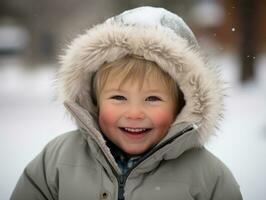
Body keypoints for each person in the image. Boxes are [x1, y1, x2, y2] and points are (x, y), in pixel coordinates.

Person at [11, 6, 242, 200]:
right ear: (94, 100)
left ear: (181, 106)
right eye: (118, 97)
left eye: (152, 99)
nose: (134, 113)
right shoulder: (57, 160)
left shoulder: (208, 176)